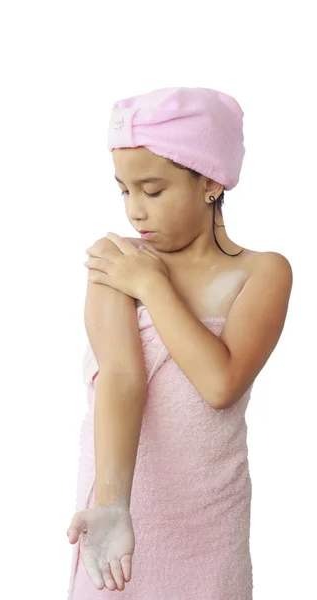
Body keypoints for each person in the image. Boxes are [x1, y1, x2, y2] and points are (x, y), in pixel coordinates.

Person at [66, 87, 293, 599]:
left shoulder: (262, 272)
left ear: (211, 182)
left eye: (153, 190)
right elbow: (121, 378)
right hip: (119, 504)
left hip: (207, 514)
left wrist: (152, 287)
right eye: (124, 191)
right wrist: (111, 505)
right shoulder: (113, 259)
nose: (135, 212)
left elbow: (220, 383)